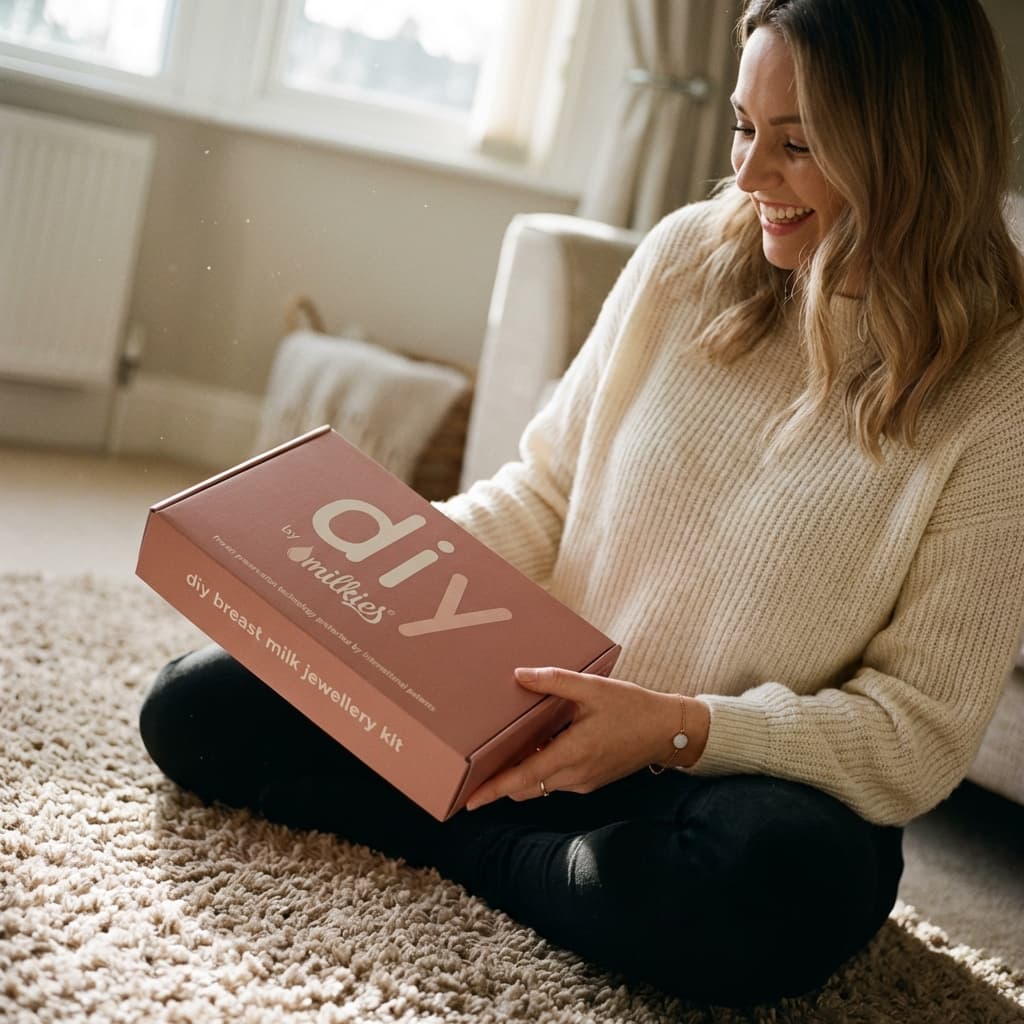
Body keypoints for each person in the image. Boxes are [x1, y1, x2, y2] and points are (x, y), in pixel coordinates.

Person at [139, 0, 1024, 1006]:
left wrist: (678, 728)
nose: (745, 175)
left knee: (776, 880)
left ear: (911, 148)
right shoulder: (689, 254)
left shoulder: (1000, 383)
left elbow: (914, 732)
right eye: (742, 127)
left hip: (729, 778)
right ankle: (542, 856)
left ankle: (468, 832)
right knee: (196, 704)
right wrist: (363, 588)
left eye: (796, 145)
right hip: (540, 724)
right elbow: (546, 490)